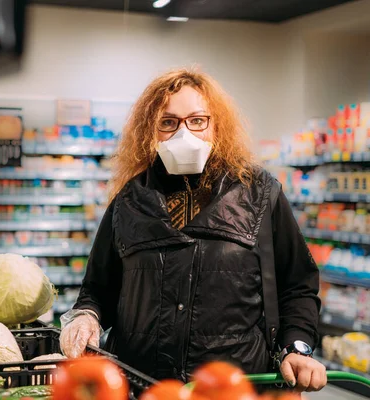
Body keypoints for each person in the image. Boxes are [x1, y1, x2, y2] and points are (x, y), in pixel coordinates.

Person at [59, 68, 327, 393]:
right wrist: (87, 315)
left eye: (197, 120)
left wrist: (297, 347)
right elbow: (98, 289)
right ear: (150, 131)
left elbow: (297, 286)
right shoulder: (128, 201)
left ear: (217, 126)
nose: (183, 133)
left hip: (232, 389)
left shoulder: (259, 194)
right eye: (168, 122)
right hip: (143, 387)